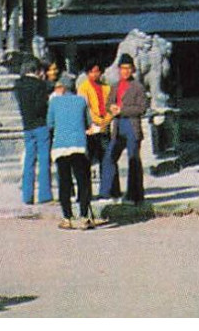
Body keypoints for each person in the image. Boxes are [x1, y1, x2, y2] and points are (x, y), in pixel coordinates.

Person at [47, 72, 94, 229]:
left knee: (64, 182)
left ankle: (67, 217)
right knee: (82, 181)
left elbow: (50, 123)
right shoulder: (81, 101)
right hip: (78, 145)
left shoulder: (54, 102)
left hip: (60, 146)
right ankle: (84, 216)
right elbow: (88, 123)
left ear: (62, 88)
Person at [100, 55, 148, 205]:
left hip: (132, 126)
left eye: (128, 68)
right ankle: (109, 192)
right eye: (123, 69)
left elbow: (142, 108)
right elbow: (108, 103)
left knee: (133, 160)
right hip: (118, 126)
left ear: (132, 69)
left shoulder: (138, 86)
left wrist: (122, 110)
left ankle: (135, 195)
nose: (125, 71)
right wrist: (111, 107)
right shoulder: (115, 86)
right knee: (109, 157)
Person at [13, 58, 53, 205]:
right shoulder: (40, 85)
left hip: (27, 125)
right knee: (43, 160)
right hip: (40, 124)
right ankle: (44, 194)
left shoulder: (18, 86)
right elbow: (40, 106)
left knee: (29, 160)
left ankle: (27, 195)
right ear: (37, 70)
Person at [77, 61, 111, 189]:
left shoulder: (106, 87)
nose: (95, 74)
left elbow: (110, 106)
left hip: (104, 126)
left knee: (106, 158)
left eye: (98, 71)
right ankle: (86, 191)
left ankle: (106, 189)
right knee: (88, 160)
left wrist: (106, 120)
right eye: (92, 71)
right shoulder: (83, 87)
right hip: (90, 127)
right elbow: (85, 108)